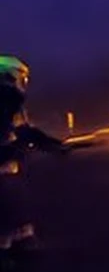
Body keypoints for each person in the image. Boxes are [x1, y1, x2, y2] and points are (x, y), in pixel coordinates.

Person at [0, 56, 67, 259]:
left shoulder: (11, 101)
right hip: (3, 163)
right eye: (21, 78)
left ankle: (20, 241)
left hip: (6, 164)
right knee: (9, 202)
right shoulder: (6, 97)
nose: (22, 83)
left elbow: (22, 129)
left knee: (13, 200)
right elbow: (19, 131)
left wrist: (52, 145)